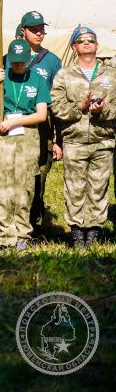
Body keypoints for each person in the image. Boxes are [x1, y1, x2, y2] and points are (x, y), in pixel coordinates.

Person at [50, 26, 116, 248]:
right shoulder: (64, 75)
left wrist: (103, 111)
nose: (86, 43)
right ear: (74, 47)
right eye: (81, 40)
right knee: (75, 188)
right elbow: (56, 107)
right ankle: (78, 233)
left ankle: (94, 233)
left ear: (97, 45)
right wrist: (79, 107)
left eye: (91, 40)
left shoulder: (111, 74)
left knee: (99, 188)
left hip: (102, 140)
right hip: (75, 141)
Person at [0, 39, 51, 251]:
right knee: (2, 186)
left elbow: (41, 115)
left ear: (29, 60)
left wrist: (15, 121)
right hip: (3, 134)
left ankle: (22, 234)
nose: (18, 66)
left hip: (27, 135)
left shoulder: (37, 80)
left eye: (22, 62)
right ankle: (4, 235)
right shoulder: (2, 77)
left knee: (25, 187)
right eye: (15, 62)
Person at [8, 11, 63, 234]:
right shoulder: (10, 56)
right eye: (34, 29)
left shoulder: (52, 60)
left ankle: (34, 224)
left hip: (42, 126)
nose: (39, 33)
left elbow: (59, 101)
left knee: (38, 176)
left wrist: (58, 140)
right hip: (12, 126)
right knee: (11, 176)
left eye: (42, 29)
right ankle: (11, 224)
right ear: (23, 31)